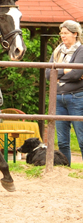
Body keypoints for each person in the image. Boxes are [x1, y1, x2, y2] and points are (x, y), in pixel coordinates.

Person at [45, 20, 83, 166]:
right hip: (58, 98)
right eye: (61, 33)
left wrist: (58, 73)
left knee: (81, 138)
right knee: (62, 141)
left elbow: (76, 73)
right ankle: (65, 169)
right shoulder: (57, 51)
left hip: (76, 97)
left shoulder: (81, 51)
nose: (62, 36)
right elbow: (48, 74)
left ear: (75, 34)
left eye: (66, 33)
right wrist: (66, 70)